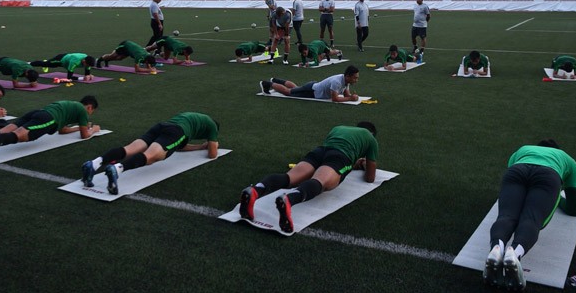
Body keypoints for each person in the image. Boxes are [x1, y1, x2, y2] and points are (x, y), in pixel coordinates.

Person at [238, 122, 378, 233]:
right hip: (340, 157)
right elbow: (370, 178)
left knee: (289, 177)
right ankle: (290, 199)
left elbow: (332, 150)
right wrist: (362, 164)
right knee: (320, 182)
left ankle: (256, 189)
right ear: (372, 134)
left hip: (319, 151)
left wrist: (354, 163)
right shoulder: (371, 139)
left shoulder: (338, 128)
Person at [483, 139, 576, 291]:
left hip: (517, 170)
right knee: (532, 219)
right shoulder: (567, 159)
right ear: (556, 150)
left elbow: (516, 187)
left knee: (506, 215)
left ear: (536, 148)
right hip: (548, 175)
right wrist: (558, 199)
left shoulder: (522, 150)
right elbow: (574, 209)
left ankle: (496, 247)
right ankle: (514, 253)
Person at [80, 112, 220, 195]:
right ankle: (117, 169)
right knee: (152, 156)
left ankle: (94, 163)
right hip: (176, 132)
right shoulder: (212, 126)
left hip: (162, 126)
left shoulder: (194, 119)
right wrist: (211, 145)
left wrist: (199, 147)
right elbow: (212, 154)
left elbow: (179, 146)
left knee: (129, 149)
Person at [0, 96, 100, 165]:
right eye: (90, 112)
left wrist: (74, 128)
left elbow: (62, 131)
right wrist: (93, 129)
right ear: (89, 107)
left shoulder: (70, 105)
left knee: (3, 131)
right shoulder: (82, 110)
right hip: (47, 119)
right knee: (19, 136)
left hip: (38, 112)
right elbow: (84, 135)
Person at [259, 65, 360, 102]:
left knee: (296, 88)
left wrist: (351, 96)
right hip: (312, 91)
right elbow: (335, 99)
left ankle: (275, 80)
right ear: (348, 76)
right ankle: (266, 83)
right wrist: (351, 98)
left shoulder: (346, 81)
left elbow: (346, 95)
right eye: (355, 78)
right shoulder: (337, 82)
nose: (356, 80)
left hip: (313, 88)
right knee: (288, 92)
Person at [30, 53, 95, 81]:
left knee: (48, 64)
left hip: (68, 59)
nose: (87, 67)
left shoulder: (87, 61)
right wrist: (82, 78)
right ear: (84, 61)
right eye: (87, 65)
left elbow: (87, 72)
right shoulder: (75, 62)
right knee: (45, 64)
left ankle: (47, 62)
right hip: (60, 60)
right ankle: (29, 63)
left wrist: (89, 75)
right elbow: (69, 78)